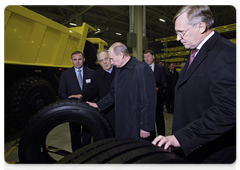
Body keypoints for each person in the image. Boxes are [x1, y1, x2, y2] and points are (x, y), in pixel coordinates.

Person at [152, 2, 240, 170]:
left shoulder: (225, 53)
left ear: (200, 26)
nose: (178, 38)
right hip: (195, 150)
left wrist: (182, 138)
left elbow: (228, 109)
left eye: (181, 32)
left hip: (213, 155)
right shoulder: (196, 52)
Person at [87, 42, 157, 140]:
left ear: (121, 55)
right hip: (122, 123)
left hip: (137, 125)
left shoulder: (141, 69)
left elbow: (149, 100)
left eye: (111, 58)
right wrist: (98, 104)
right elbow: (113, 94)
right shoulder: (119, 71)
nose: (111, 62)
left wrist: (145, 126)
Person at [70, 49, 116, 132]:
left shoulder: (119, 71)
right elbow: (92, 90)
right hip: (107, 110)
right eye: (101, 60)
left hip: (122, 109)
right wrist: (82, 95)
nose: (104, 62)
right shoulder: (97, 75)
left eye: (106, 59)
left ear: (110, 58)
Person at [58, 51, 95, 151]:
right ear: (71, 61)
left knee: (87, 131)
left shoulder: (91, 73)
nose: (77, 62)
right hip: (73, 108)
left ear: (84, 59)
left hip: (87, 107)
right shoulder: (65, 74)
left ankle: (87, 151)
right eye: (75, 59)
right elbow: (61, 91)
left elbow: (94, 89)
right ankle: (76, 152)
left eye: (79, 59)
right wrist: (69, 103)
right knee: (74, 132)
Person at [143, 49, 167, 137]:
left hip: (158, 99)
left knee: (159, 119)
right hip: (146, 101)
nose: (147, 58)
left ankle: (162, 137)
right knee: (149, 120)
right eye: (145, 57)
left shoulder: (160, 69)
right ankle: (151, 139)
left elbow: (165, 83)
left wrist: (158, 89)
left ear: (153, 57)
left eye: (148, 56)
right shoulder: (142, 69)